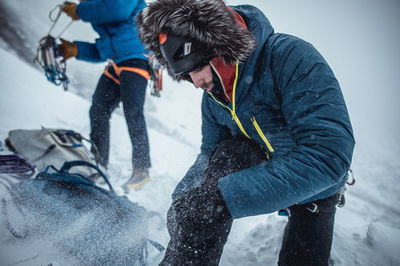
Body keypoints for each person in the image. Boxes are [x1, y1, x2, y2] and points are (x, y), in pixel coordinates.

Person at [137, 0, 356, 265]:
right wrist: (184, 197)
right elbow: (209, 155)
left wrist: (224, 197)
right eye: (186, 76)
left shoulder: (291, 58)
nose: (196, 83)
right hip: (257, 168)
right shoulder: (214, 98)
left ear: (219, 50)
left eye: (196, 69)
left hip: (314, 184)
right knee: (203, 198)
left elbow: (328, 155)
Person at [60, 0, 151, 191]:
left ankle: (142, 169)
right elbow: (108, 47)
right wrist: (77, 49)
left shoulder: (112, 5)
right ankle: (99, 164)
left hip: (137, 58)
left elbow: (119, 9)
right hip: (117, 62)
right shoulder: (100, 7)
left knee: (133, 112)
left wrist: (80, 11)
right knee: (98, 110)